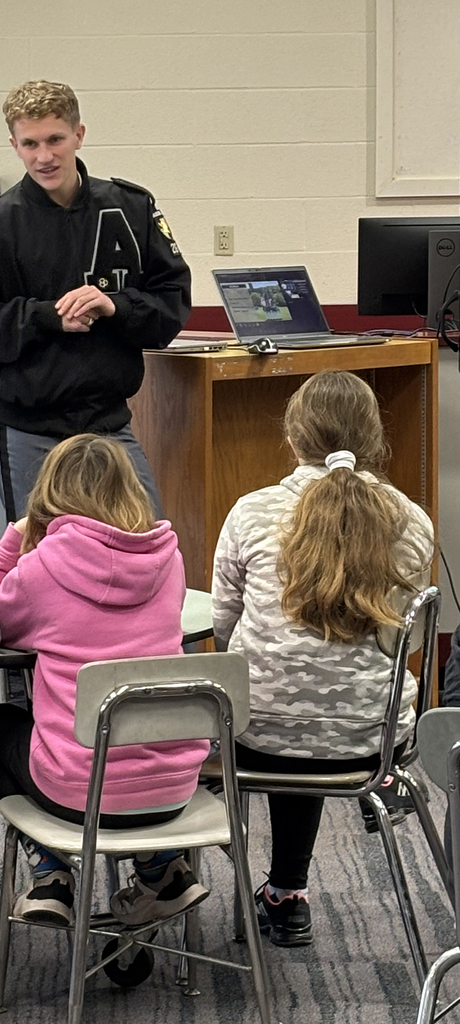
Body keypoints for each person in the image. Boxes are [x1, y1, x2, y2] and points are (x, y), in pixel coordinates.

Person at [212, 370, 434, 948]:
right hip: (370, 741)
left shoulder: (251, 511)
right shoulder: (412, 521)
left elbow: (222, 626)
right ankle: (288, 894)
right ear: (375, 440)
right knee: (316, 713)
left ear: (293, 439)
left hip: (255, 734)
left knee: (257, 709)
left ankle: (169, 879)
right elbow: (403, 644)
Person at [0, 434, 209, 928]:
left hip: (78, 795)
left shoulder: (41, 569)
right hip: (175, 788)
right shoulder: (169, 559)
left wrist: (15, 540)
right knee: (127, 745)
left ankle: (51, 871)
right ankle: (161, 866)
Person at [0, 79, 191, 521]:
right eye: (30, 143)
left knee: (148, 544)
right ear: (14, 145)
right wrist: (44, 317)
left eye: (55, 139)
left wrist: (115, 307)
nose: (44, 156)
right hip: (28, 428)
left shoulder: (131, 207)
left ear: (79, 134)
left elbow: (171, 303)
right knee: (40, 564)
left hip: (110, 426)